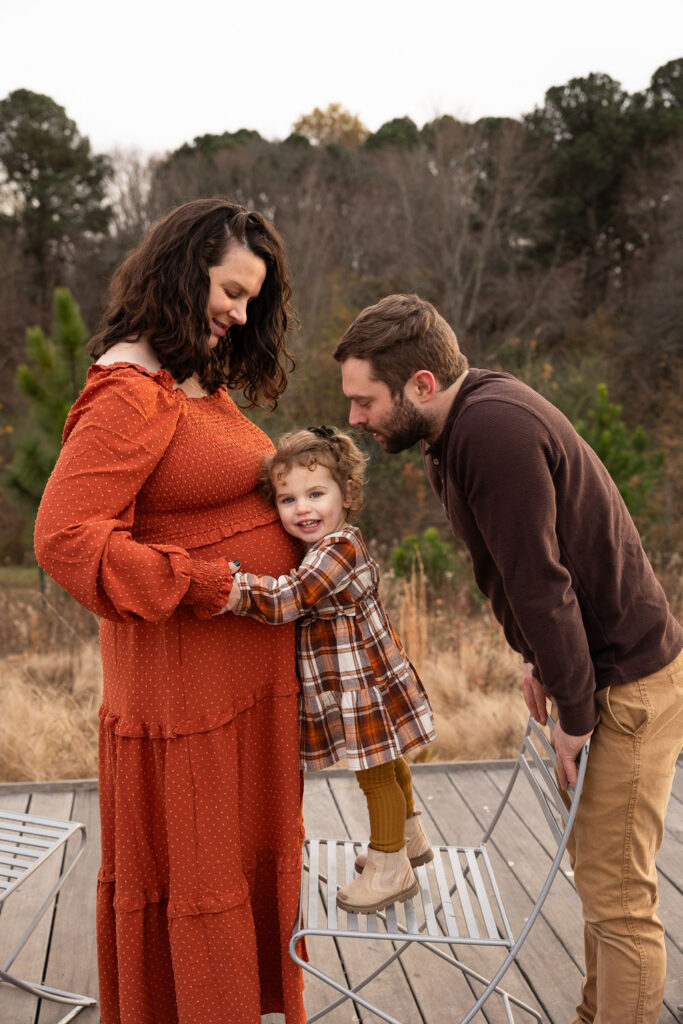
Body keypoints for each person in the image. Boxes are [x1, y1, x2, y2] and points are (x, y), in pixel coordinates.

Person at [333, 292, 683, 1024]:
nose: (356, 420)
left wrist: (574, 714)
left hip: (627, 681)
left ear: (421, 385)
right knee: (600, 883)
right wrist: (538, 662)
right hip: (596, 671)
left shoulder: (491, 431)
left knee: (618, 899)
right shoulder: (464, 419)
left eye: (365, 402)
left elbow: (540, 581)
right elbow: (536, 565)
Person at [34, 198, 307, 1024]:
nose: (241, 311)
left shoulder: (191, 380)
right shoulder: (129, 390)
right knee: (197, 886)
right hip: (184, 699)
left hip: (242, 695)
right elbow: (65, 539)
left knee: (235, 877)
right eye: (230, 289)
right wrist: (206, 582)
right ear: (184, 271)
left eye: (252, 298)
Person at [222, 426, 436, 914]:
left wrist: (233, 590)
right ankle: (410, 837)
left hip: (364, 685)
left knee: (374, 774)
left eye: (316, 494)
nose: (303, 508)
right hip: (361, 681)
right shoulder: (322, 547)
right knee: (388, 761)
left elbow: (289, 599)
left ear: (346, 493)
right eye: (288, 499)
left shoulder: (339, 549)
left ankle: (391, 868)